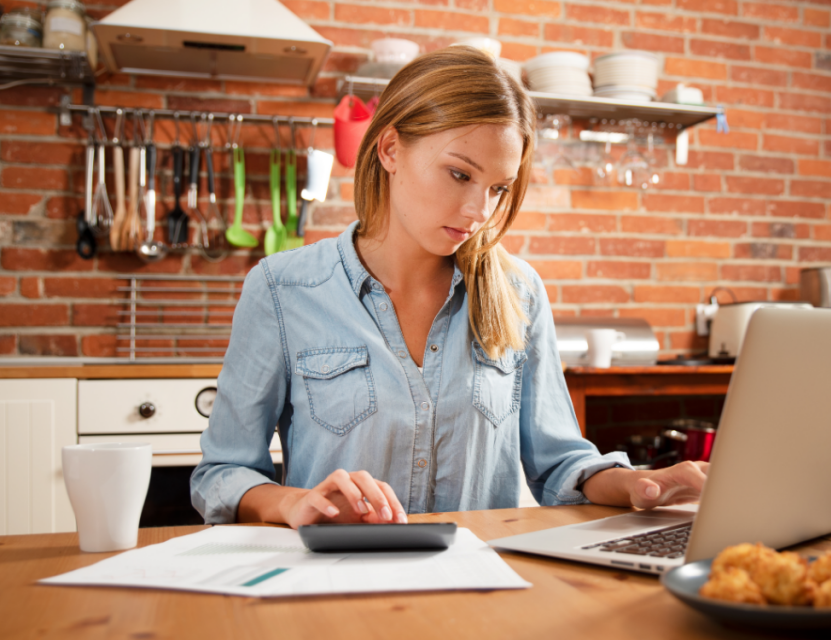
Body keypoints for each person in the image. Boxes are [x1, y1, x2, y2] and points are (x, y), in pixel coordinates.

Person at [190, 46, 708, 529]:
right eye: (460, 174)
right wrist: (293, 501)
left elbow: (561, 464)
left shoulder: (519, 292)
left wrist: (643, 483)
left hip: (480, 592)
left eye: (498, 189)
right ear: (390, 148)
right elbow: (222, 473)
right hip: (336, 588)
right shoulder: (283, 289)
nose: (479, 212)